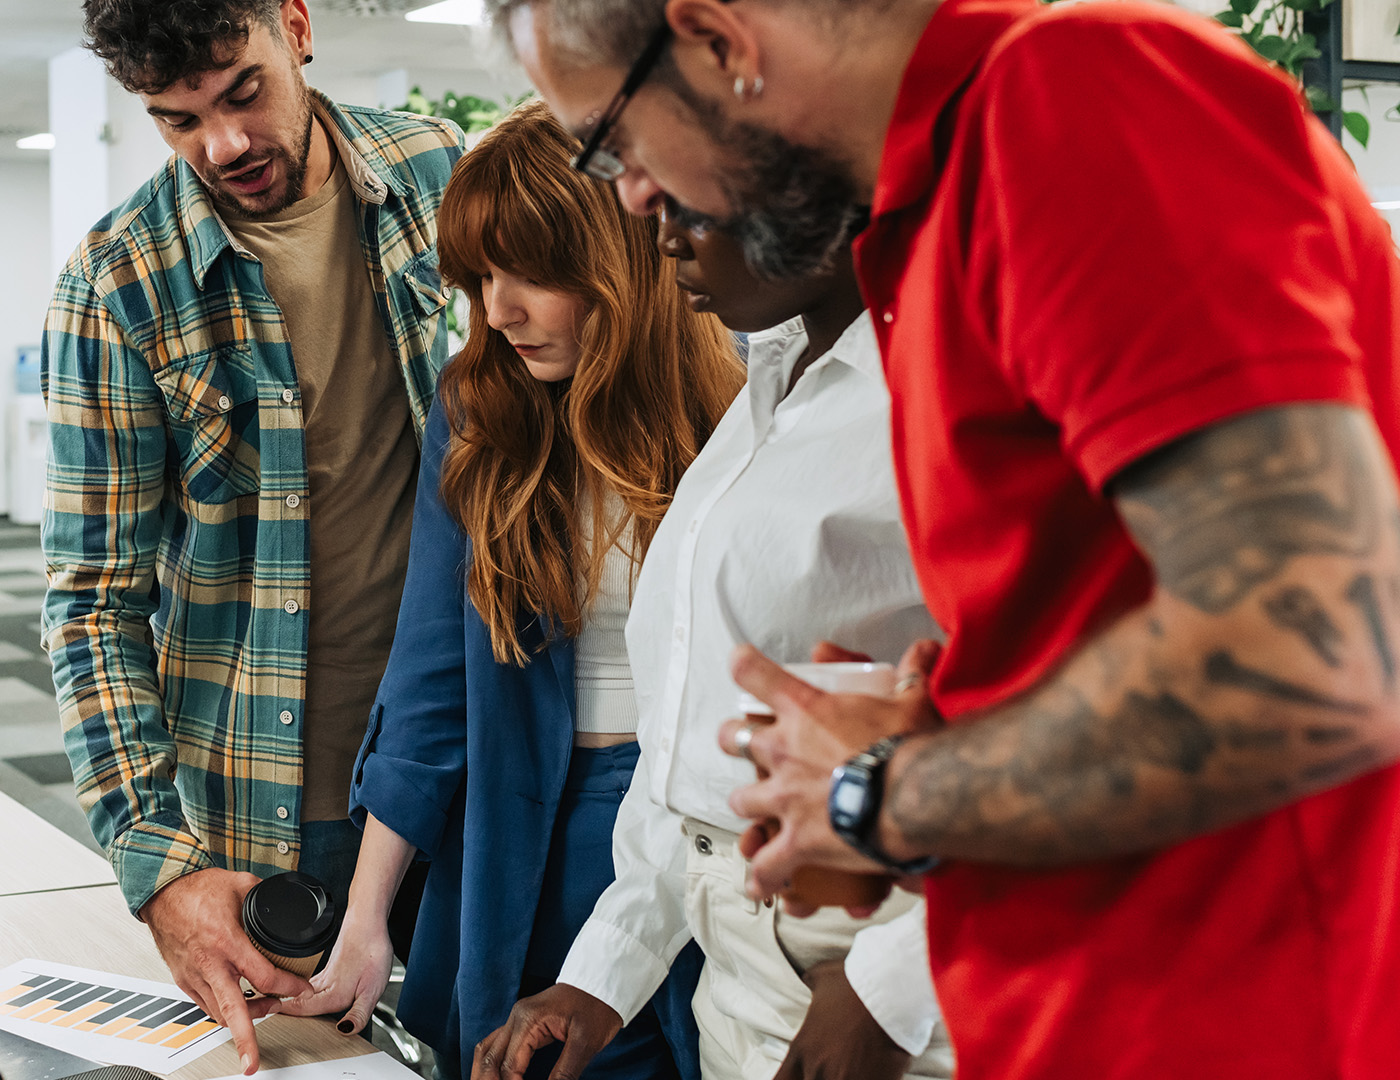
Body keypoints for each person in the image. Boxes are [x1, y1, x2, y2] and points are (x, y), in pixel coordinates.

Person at [489, 1, 1400, 1078]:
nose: (636, 196)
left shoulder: (1069, 94)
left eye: (617, 144)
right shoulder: (918, 239)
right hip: (1060, 997)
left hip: (1225, 1015)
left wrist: (880, 792)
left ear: (717, 39)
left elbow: (1317, 651)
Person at [275, 100, 742, 1080]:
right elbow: (430, 688)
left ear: (620, 261)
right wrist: (365, 924)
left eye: (532, 274)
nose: (499, 309)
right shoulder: (481, 409)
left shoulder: (743, 402)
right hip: (526, 819)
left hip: (704, 824)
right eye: (482, 276)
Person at [40, 0, 461, 1069]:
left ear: (296, 25)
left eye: (242, 91)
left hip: (458, 762)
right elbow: (90, 602)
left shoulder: (435, 176)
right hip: (272, 806)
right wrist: (161, 868)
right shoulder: (117, 287)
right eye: (177, 120)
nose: (224, 145)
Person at [477, 201, 953, 1080]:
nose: (655, 233)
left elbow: (1088, 724)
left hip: (881, 979)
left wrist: (890, 988)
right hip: (738, 974)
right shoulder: (772, 381)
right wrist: (604, 973)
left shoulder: (942, 388)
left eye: (682, 198)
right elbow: (689, 746)